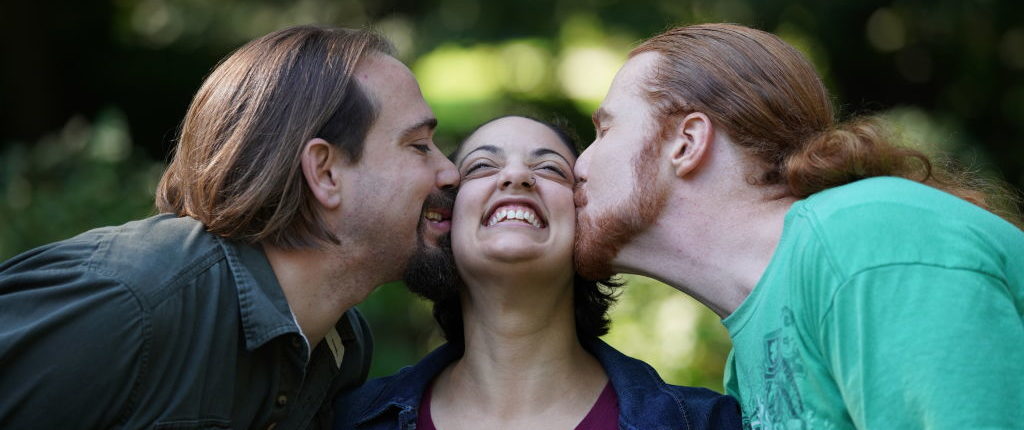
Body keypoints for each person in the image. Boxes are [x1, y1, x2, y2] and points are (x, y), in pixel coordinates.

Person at [0, 25, 458, 429]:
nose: (451, 173)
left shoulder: (340, 348)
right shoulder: (128, 305)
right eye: (419, 145)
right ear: (325, 173)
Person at [572, 23, 1024, 429]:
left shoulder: (866, 241)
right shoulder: (749, 358)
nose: (579, 166)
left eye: (605, 131)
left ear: (687, 143)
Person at [333, 115, 741, 430]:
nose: (516, 176)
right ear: (445, 222)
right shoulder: (346, 420)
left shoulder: (707, 422)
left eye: (550, 169)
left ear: (586, 220)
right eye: (481, 166)